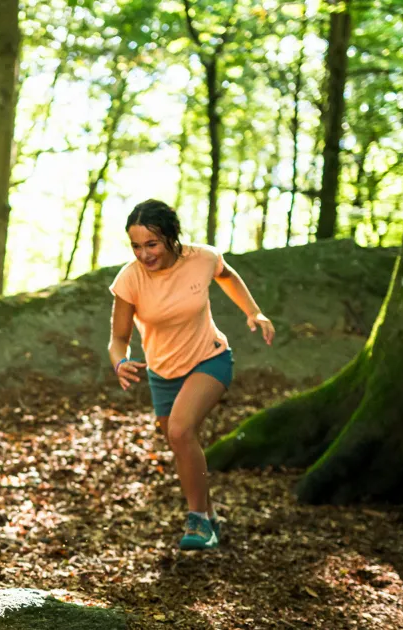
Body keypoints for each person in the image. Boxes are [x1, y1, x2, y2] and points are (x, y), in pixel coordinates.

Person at [107, 199, 275, 550]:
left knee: (182, 431)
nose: (144, 254)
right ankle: (210, 517)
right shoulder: (130, 279)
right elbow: (119, 339)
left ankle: (197, 522)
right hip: (163, 372)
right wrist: (120, 362)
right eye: (136, 246)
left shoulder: (202, 257)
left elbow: (227, 276)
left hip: (208, 358)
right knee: (177, 439)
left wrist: (254, 313)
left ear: (170, 237)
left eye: (151, 244)